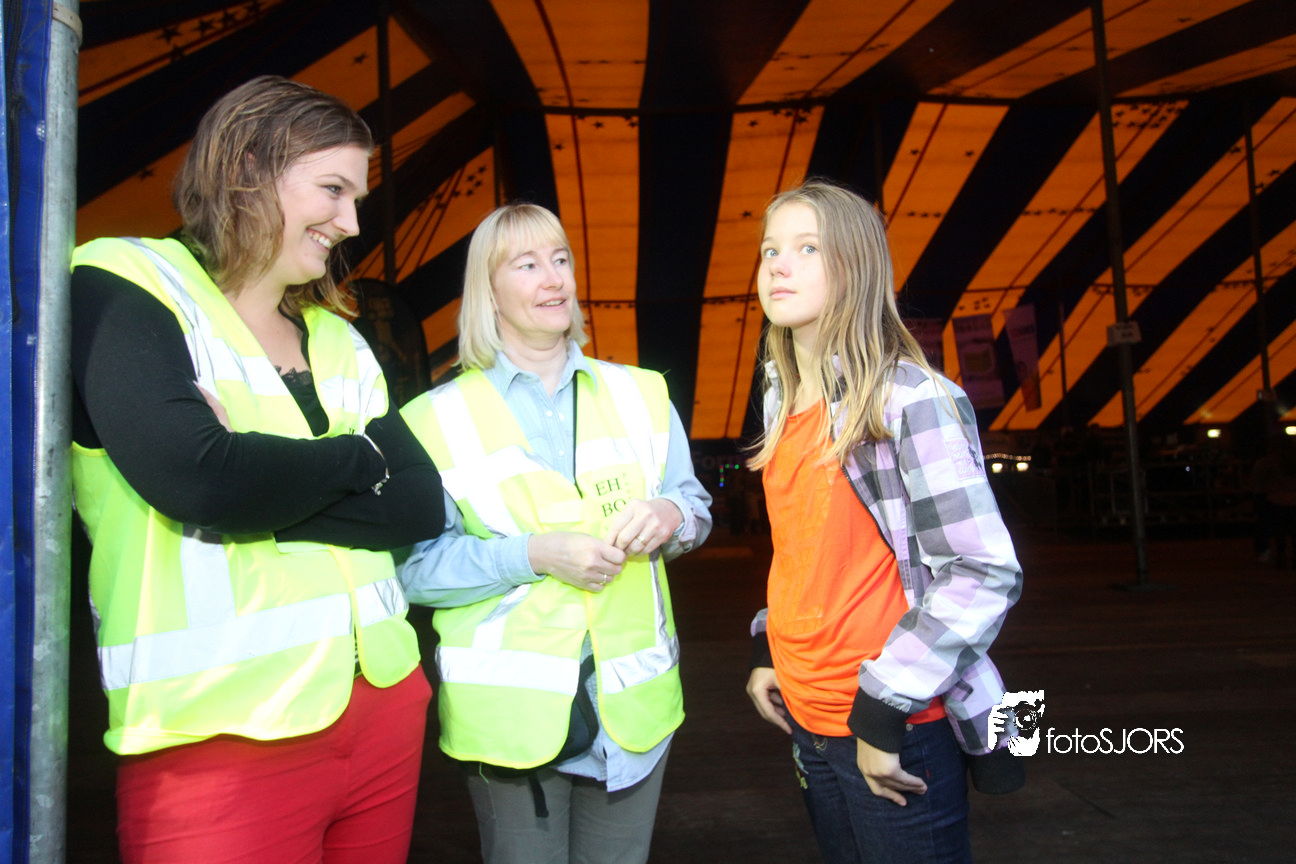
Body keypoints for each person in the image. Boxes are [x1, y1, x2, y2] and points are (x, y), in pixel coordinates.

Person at [70, 76, 445, 864]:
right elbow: (203, 481)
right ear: (247, 168)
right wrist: (359, 459)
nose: (352, 223)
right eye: (333, 190)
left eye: (357, 197)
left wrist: (254, 480)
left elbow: (418, 506)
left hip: (387, 710)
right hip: (214, 733)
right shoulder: (124, 279)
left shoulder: (338, 336)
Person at [400, 203, 712, 864]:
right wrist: (532, 555)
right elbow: (414, 571)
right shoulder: (430, 420)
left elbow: (693, 506)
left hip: (633, 713)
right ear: (489, 292)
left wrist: (671, 517)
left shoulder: (642, 393)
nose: (554, 279)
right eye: (528, 264)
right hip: (510, 720)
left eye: (561, 259)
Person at [743, 180, 1024, 864]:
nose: (779, 266)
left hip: (897, 719)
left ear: (857, 266)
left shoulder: (909, 398)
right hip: (806, 712)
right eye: (771, 250)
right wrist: (768, 650)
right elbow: (808, 554)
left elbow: (981, 570)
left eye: (808, 248)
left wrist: (883, 708)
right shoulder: (782, 396)